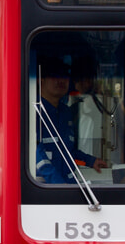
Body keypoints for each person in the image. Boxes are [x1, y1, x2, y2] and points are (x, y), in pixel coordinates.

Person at [35, 55, 104, 183]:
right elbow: (36, 156)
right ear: (40, 80)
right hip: (44, 189)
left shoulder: (65, 112)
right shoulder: (32, 112)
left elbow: (67, 149)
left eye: (65, 76)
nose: (61, 81)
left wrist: (90, 161)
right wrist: (58, 186)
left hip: (68, 186)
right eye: (55, 76)